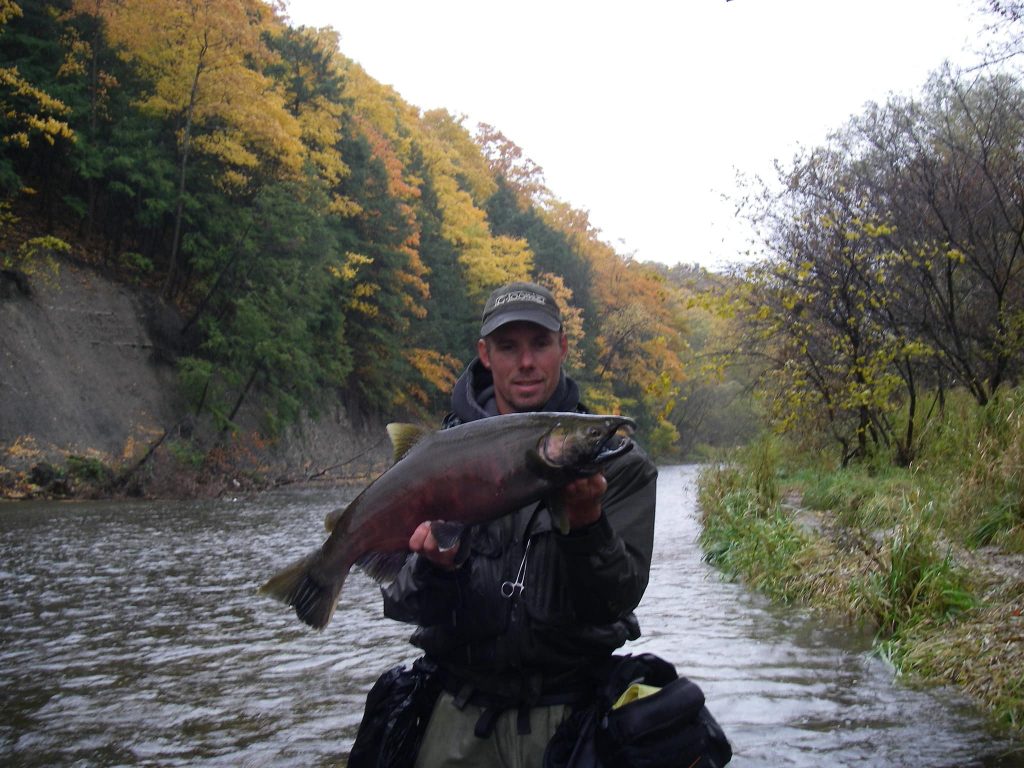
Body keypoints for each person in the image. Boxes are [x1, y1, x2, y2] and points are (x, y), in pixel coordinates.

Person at [380, 280, 659, 767]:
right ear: (485, 355)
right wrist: (436, 569)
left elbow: (615, 601)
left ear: (563, 347)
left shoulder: (620, 466)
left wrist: (589, 524)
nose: (526, 362)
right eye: (509, 347)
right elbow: (403, 603)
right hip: (455, 719)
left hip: (574, 720)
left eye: (540, 344)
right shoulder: (433, 463)